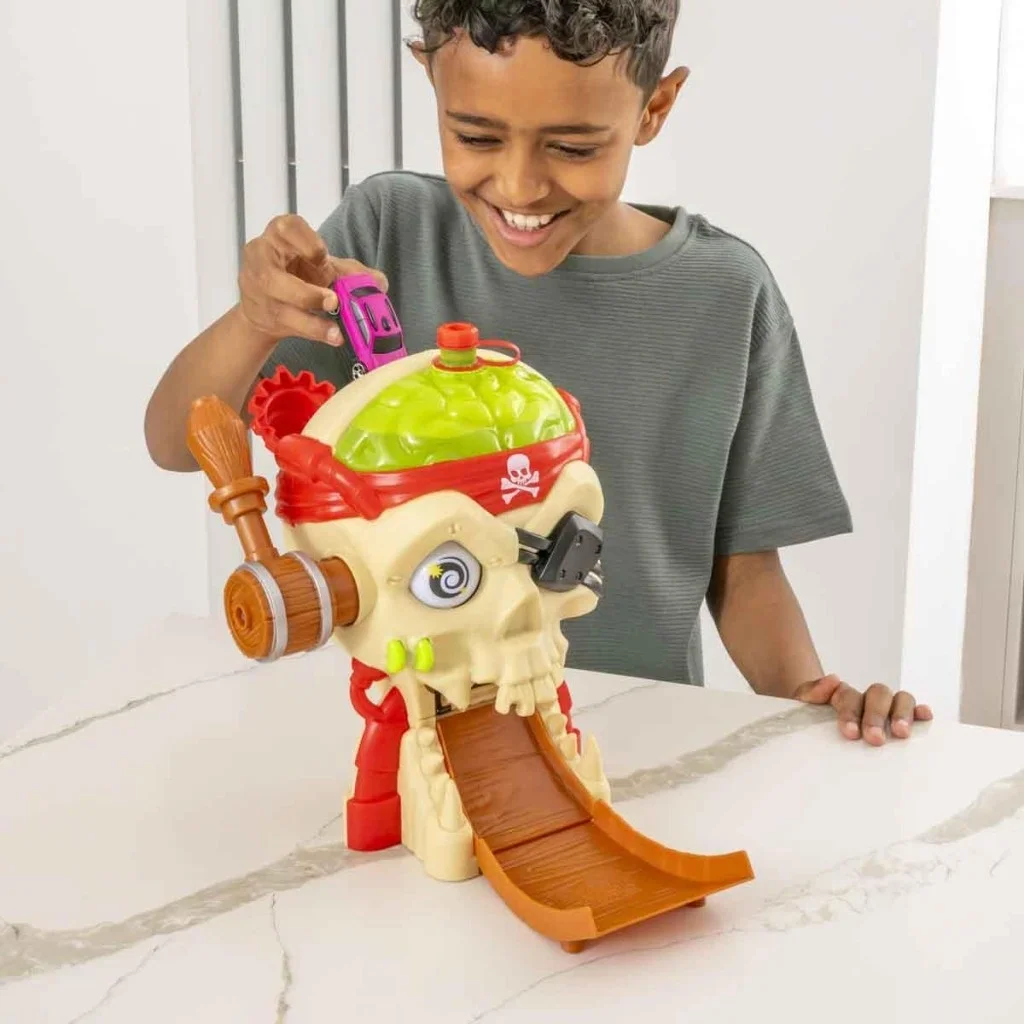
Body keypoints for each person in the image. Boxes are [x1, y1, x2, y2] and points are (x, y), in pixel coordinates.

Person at [145, 0, 931, 744]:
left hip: (636, 741)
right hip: (411, 727)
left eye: (575, 147)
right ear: (430, 76)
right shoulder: (387, 234)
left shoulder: (727, 293)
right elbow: (176, 443)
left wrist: (807, 702)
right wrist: (255, 318)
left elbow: (745, 570)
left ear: (654, 109)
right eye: (476, 136)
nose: (519, 186)